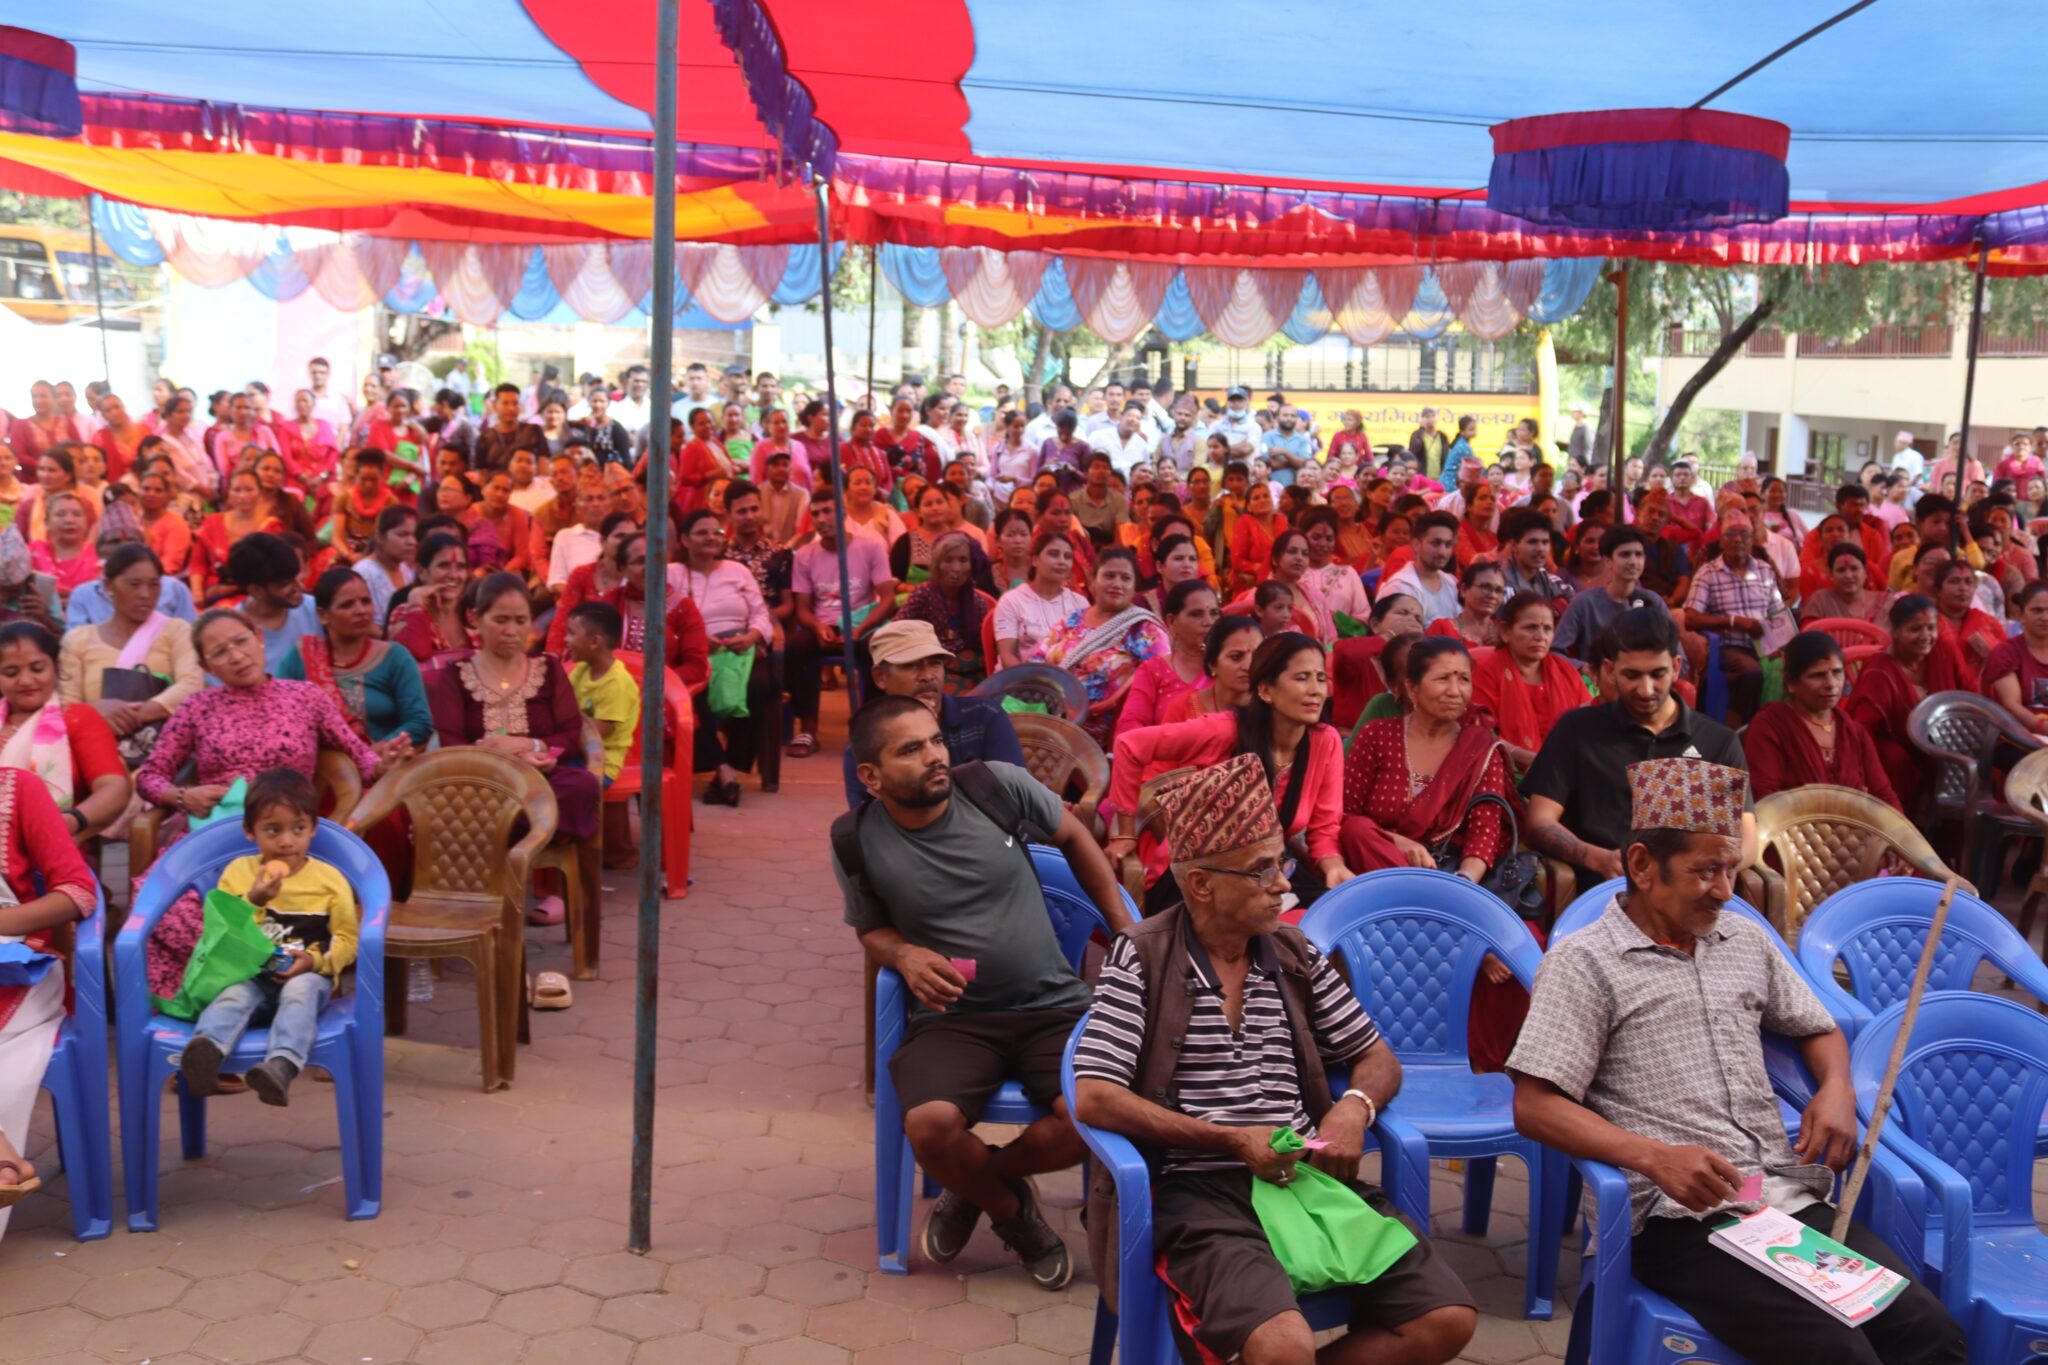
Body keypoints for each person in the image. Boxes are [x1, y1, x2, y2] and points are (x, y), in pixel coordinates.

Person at [1510, 758, 1965, 1365]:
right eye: (1704, 872)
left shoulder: (1744, 941)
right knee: (1840, 1354)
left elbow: (1819, 1027)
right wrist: (1654, 1156)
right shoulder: (1585, 963)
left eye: (1730, 869)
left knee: (1931, 1333)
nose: (1725, 891)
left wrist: (1834, 1090)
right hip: (1678, 1221)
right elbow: (1534, 1106)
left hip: (1784, 1198)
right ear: (1642, 865)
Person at [1076, 752, 1476, 1365]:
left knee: (1445, 1320)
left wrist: (1354, 1107)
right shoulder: (1143, 956)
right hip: (1197, 1192)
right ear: (1201, 884)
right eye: (1261, 871)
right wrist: (1234, 1141)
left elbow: (1376, 1057)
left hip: (1299, 1180)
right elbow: (1095, 1095)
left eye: (1280, 863)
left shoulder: (1293, 953)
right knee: (1283, 1347)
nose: (1285, 884)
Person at [836, 696, 1129, 1289]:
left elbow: (1075, 837)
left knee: (1092, 1118)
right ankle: (1012, 1212)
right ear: (871, 777)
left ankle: (979, 1186)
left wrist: (1127, 933)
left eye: (936, 741)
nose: (935, 757)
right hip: (955, 1019)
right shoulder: (856, 839)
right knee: (930, 1128)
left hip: (1055, 1006)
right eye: (911, 750)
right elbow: (870, 928)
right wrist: (905, 953)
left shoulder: (995, 785)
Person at [1106, 633, 1351, 912]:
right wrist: (1124, 834)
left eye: (1320, 678)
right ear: (1266, 690)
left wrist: (1333, 864)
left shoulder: (1326, 740)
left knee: (1333, 921)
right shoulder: (1225, 730)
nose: (1316, 690)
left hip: (1269, 869)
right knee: (1275, 930)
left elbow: (1324, 829)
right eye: (1302, 678)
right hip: (1203, 875)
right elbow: (1129, 745)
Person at [1523, 608, 1749, 884]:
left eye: (1658, 674)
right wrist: (1595, 857)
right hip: (1605, 895)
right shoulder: (1577, 731)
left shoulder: (1717, 742)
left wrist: (1698, 870)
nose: (1645, 689)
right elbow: (1539, 821)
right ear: (1609, 669)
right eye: (1632, 675)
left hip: (1693, 896)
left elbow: (1746, 838)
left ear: (1677, 667)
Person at [176, 767, 357, 1107]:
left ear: (313, 829)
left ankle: (281, 1065)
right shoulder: (238, 872)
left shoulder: (330, 880)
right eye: (272, 830)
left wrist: (316, 962)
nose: (286, 841)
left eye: (298, 829)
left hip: (307, 977)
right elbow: (222, 933)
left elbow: (348, 939)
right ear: (250, 831)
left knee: (300, 992)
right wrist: (256, 900)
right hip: (252, 976)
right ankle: (205, 1056)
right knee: (231, 996)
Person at [424, 575, 599, 922]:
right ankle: (502, 875)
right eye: (500, 620)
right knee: (455, 805)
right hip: (482, 784)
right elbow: (451, 741)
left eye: (520, 621)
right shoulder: (457, 676)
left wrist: (531, 746)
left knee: (582, 786)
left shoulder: (547, 668)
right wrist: (493, 758)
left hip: (543, 780)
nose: (511, 630)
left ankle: (503, 871)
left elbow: (570, 731)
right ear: (476, 619)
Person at [59, 544, 203, 768]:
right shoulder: (78, 640)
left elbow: (192, 684)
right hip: (95, 753)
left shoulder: (177, 631)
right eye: (134, 585)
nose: (145, 594)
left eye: (154, 585)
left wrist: (133, 715)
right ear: (108, 586)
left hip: (164, 753)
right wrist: (94, 710)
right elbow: (67, 704)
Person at [674, 509, 775, 804]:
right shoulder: (672, 574)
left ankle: (728, 769)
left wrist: (752, 636)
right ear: (684, 539)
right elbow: (665, 619)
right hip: (694, 651)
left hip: (739, 649)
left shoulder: (737, 571)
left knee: (759, 687)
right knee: (692, 694)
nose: (710, 538)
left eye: (716, 532)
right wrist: (695, 640)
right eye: (702, 532)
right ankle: (724, 770)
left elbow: (760, 613)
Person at [0, 619, 129, 840]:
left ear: (56, 666)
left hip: (58, 847)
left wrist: (71, 821)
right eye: (11, 673)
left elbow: (114, 788)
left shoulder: (78, 719)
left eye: (37, 668)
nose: (26, 680)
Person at [276, 569, 434, 749]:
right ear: (323, 615)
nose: (361, 611)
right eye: (347, 605)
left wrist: (373, 754)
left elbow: (419, 723)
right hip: (323, 772)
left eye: (366, 601)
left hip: (387, 768)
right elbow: (280, 720)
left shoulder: (395, 657)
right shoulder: (301, 657)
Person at [1746, 633, 1899, 806]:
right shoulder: (1771, 726)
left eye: (1837, 672)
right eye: (1817, 675)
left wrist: (1899, 831)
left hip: (1851, 830)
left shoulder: (1853, 732)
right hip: (1789, 828)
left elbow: (1884, 795)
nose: (1831, 684)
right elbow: (1764, 797)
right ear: (1791, 683)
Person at [1844, 594, 1971, 803]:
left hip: (1940, 742)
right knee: (1895, 759)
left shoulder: (1945, 652)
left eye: (1931, 628)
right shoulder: (1880, 670)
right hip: (1895, 747)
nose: (1925, 636)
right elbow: (1862, 732)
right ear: (1895, 633)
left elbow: (1970, 696)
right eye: (1915, 629)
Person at [1041, 550, 1169, 746]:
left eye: (1125, 578)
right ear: (1092, 582)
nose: (1116, 584)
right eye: (1109, 576)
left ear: (1135, 587)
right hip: (1048, 708)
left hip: (1097, 725)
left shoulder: (1144, 629)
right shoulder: (1074, 618)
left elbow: (1161, 683)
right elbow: (1038, 658)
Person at [1684, 510, 1789, 725]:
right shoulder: (1708, 573)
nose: (1738, 540)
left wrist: (1782, 642)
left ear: (1752, 541)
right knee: (1751, 672)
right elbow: (1690, 618)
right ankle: (1738, 730)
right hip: (1729, 646)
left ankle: (1775, 726)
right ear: (1721, 541)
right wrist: (1735, 622)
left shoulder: (1764, 570)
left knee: (1796, 666)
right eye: (1731, 534)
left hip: (1764, 644)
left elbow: (1777, 613)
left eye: (1744, 534)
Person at [1470, 593, 1591, 772]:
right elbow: (1480, 735)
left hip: (1568, 774)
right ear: (1504, 631)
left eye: (1548, 628)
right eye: (1531, 627)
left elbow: (1589, 725)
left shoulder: (1565, 671)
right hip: (1507, 774)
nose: (1540, 636)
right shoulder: (1486, 671)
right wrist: (1533, 760)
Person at [1550, 525, 1669, 668]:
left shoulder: (1654, 602)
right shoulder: (1584, 602)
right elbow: (1555, 652)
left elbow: (1674, 651)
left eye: (1638, 555)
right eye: (1624, 555)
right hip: (1595, 682)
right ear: (1608, 561)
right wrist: (1585, 668)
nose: (1633, 562)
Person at [894, 532, 996, 694]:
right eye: (948, 560)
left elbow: (984, 647)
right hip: (930, 665)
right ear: (937, 565)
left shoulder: (977, 602)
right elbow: (898, 629)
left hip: (969, 669)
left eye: (963, 560)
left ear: (972, 566)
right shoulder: (923, 594)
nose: (956, 569)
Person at [1118, 580, 1220, 736]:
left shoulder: (1228, 668)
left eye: (1214, 613)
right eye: (1196, 614)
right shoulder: (1152, 671)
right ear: (1172, 622)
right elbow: (1130, 726)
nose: (1208, 622)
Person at [563, 602, 639, 785]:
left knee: (549, 784)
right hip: (575, 753)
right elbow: (562, 708)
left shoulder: (617, 683)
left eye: (572, 633)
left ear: (595, 641)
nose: (565, 639)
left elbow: (594, 738)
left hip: (599, 764)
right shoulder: (580, 670)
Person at [992, 530, 1085, 669]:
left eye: (1067, 557)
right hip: (1019, 682)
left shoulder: (1080, 603)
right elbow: (1007, 657)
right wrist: (1034, 684)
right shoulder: (1011, 601)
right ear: (1035, 560)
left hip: (1066, 683)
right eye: (1053, 554)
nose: (1061, 561)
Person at [385, 531, 471, 664]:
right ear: (421, 572)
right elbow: (415, 655)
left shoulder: (474, 613)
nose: (454, 575)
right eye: (444, 565)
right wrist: (416, 604)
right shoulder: (404, 613)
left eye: (460, 567)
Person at [1980, 580, 2048, 735]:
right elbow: (2011, 705)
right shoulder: (2006, 653)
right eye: (2037, 610)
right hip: (2016, 738)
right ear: (2022, 615)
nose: (2045, 617)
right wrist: (2042, 727)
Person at [1383, 512, 1461, 626]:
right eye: (1435, 543)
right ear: (1416, 545)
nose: (1442, 552)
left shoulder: (1452, 583)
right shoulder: (1399, 587)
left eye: (1448, 545)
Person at [1931, 557, 2001, 678]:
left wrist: (1991, 656)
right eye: (1954, 581)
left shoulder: (1988, 622)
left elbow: (2010, 662)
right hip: (1941, 693)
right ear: (1938, 590)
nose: (1963, 588)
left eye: (1968, 582)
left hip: (1983, 693)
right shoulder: (1928, 623)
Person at [1799, 542, 1892, 625]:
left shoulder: (1885, 602)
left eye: (1854, 568)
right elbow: (1809, 640)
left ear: (1865, 572)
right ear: (1831, 575)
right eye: (1841, 570)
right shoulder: (1819, 602)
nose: (1848, 575)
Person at [1430, 558, 1505, 649]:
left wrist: (1505, 643)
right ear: (1464, 590)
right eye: (1485, 587)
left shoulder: (1505, 632)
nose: (1493, 595)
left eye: (1499, 590)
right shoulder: (1443, 628)